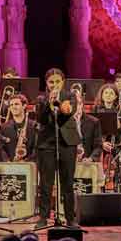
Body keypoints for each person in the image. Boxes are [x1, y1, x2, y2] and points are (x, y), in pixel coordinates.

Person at [35, 68, 80, 227]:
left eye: (57, 82)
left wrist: (59, 104)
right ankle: (43, 218)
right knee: (46, 183)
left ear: (63, 82)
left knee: (67, 182)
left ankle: (70, 218)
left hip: (67, 143)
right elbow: (40, 119)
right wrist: (48, 103)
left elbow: (69, 112)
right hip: (47, 144)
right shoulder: (41, 99)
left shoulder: (70, 96)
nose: (54, 85)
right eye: (51, 82)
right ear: (46, 83)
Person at [0, 94, 38, 162]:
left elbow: (36, 148)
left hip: (29, 166)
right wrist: (7, 161)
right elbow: (1, 149)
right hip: (10, 166)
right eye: (11, 105)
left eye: (16, 104)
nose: (13, 107)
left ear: (24, 106)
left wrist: (27, 161)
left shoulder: (34, 125)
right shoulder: (4, 127)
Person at [73, 93, 103, 162]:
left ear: (81, 104)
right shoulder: (63, 121)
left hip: (87, 162)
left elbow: (98, 146)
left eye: (77, 104)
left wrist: (91, 159)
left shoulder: (94, 122)